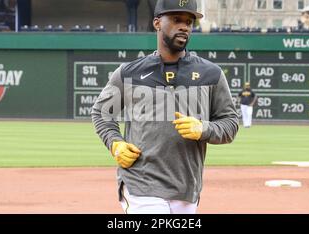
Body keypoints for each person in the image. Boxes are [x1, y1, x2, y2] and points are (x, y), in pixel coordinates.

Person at [91, 0, 239, 214]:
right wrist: (115, 144)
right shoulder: (128, 73)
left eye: (189, 22)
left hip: (186, 187)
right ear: (157, 23)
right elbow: (102, 112)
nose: (184, 26)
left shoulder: (211, 74)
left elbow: (231, 124)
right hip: (141, 183)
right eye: (177, 19)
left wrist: (204, 129)